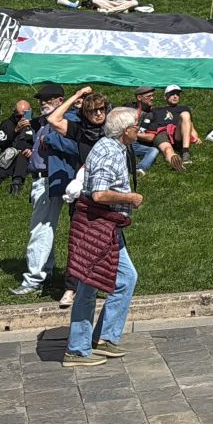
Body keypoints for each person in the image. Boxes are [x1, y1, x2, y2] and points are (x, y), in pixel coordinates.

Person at [63, 106, 144, 366]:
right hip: (97, 227)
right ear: (124, 131)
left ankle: (103, 338)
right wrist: (130, 198)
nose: (138, 131)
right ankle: (77, 349)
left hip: (104, 227)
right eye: (135, 127)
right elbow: (99, 194)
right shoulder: (110, 152)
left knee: (123, 278)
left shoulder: (113, 148)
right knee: (89, 285)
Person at [12, 84, 75, 297]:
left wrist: (49, 139)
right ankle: (44, 274)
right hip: (40, 180)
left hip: (51, 180)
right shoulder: (44, 122)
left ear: (60, 100)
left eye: (48, 99)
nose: (43, 103)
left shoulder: (67, 120)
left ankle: (33, 279)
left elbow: (74, 146)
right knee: (43, 228)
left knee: (40, 229)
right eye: (41, 99)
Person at [131, 87, 185, 173]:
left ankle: (140, 169)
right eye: (149, 96)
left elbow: (151, 137)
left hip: (135, 143)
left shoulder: (153, 114)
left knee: (154, 150)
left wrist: (132, 133)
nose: (152, 98)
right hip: (121, 140)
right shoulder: (128, 108)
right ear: (139, 98)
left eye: (152, 96)